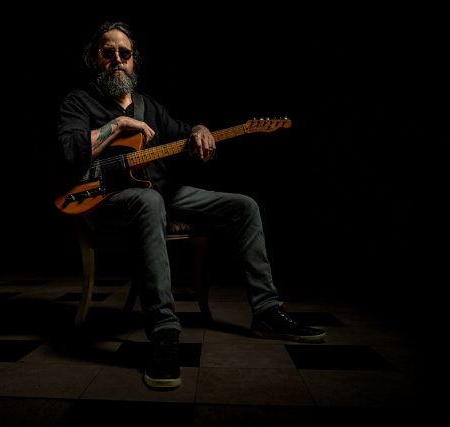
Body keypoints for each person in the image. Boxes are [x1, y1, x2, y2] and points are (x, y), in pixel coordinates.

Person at [57, 21, 326, 388]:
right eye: (108, 52)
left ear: (134, 61)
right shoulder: (79, 101)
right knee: (149, 200)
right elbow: (71, 153)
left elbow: (186, 131)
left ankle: (266, 311)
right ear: (95, 60)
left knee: (244, 205)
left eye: (125, 53)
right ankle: (164, 332)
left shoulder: (149, 105)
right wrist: (117, 126)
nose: (117, 59)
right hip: (107, 198)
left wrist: (200, 130)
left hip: (162, 191)